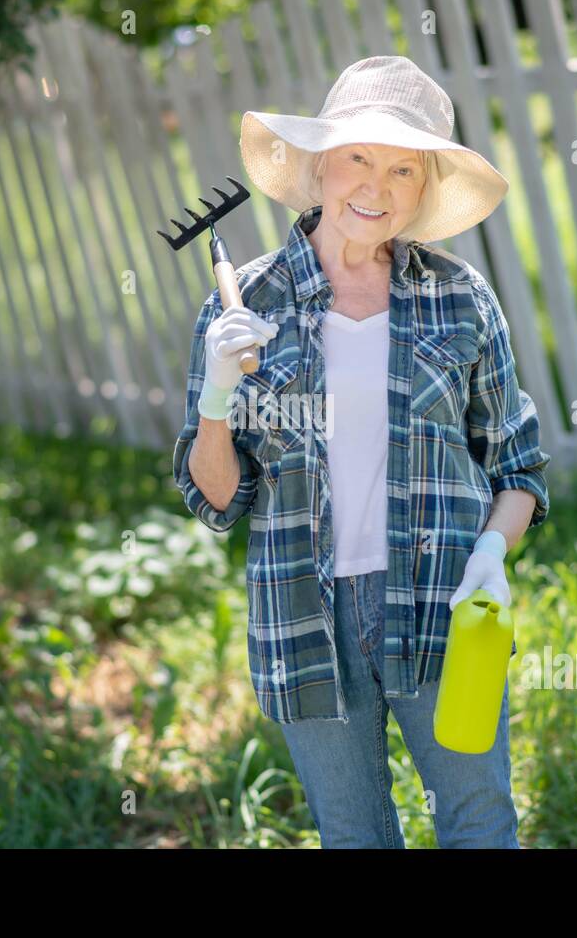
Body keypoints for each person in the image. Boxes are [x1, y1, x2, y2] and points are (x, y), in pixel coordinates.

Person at [171, 56, 550, 848]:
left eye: (403, 168)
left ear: (422, 191)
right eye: (359, 158)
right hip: (305, 616)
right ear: (320, 166)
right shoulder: (247, 301)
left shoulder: (459, 298)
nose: (376, 186)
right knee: (355, 836)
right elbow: (215, 499)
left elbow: (517, 468)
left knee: (480, 821)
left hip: (446, 605)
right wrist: (214, 398)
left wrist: (491, 553)